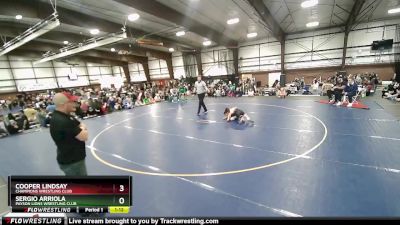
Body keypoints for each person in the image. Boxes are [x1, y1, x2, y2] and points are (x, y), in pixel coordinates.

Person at [50, 92, 89, 176]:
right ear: (63, 104)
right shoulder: (63, 121)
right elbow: (84, 136)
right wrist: (82, 129)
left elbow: (80, 124)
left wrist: (81, 128)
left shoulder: (65, 116)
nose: (75, 104)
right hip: (73, 162)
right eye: (72, 102)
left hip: (72, 158)